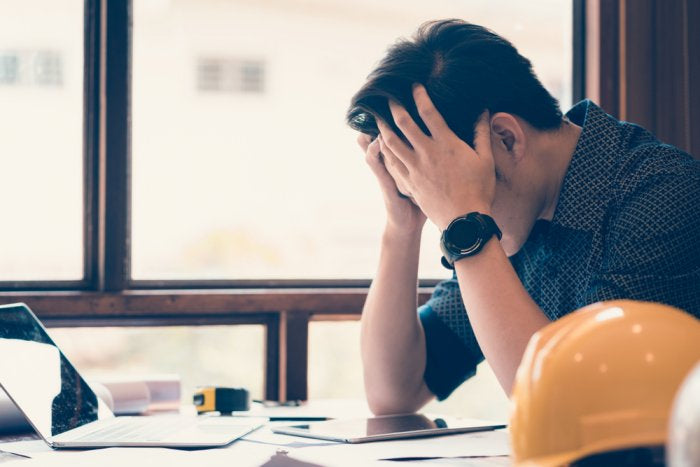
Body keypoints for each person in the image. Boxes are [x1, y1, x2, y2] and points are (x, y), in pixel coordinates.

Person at [345, 19, 700, 415]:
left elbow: (574, 411)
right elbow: (393, 390)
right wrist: (402, 226)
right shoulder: (517, 211)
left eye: (445, 192)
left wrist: (466, 220)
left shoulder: (662, 195)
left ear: (507, 139)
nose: (444, 215)